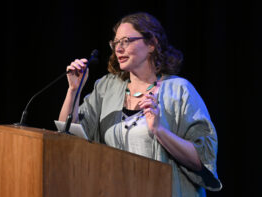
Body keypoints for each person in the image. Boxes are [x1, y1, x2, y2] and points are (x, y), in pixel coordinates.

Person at [59, 12, 222, 196]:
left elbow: (203, 158)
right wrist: (74, 91)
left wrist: (159, 130)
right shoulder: (106, 88)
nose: (118, 49)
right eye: (115, 43)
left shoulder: (180, 91)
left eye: (126, 41)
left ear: (151, 44)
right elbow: (68, 135)